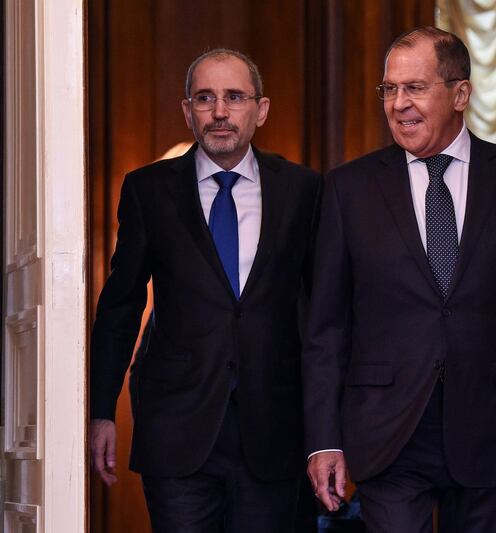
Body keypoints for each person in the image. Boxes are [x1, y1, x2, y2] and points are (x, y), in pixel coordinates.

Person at [302, 27, 496, 533]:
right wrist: (324, 438)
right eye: (389, 89)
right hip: (387, 430)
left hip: (490, 424)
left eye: (414, 87)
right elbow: (325, 327)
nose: (398, 104)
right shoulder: (348, 190)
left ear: (460, 93)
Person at [89, 48, 321, 531]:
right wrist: (100, 410)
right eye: (205, 98)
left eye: (234, 97)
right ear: (187, 111)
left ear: (261, 109)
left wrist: (332, 431)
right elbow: (121, 303)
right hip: (177, 430)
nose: (219, 111)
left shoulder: (303, 190)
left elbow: (326, 314)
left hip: (275, 431)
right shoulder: (148, 189)